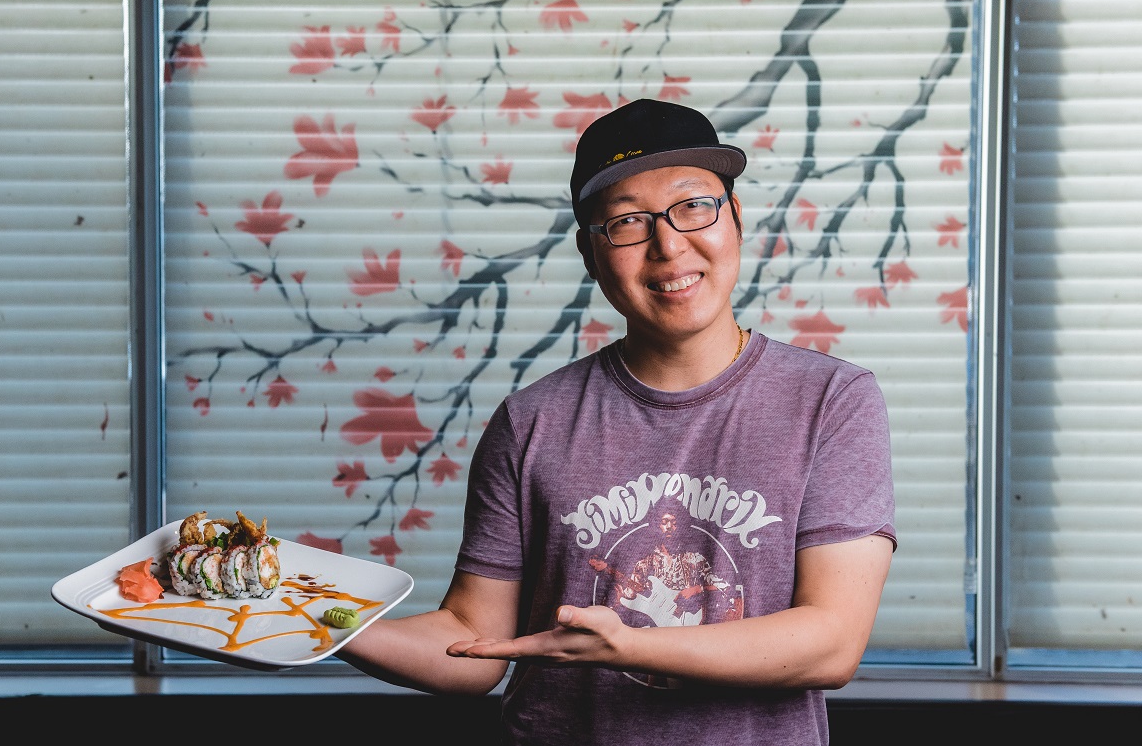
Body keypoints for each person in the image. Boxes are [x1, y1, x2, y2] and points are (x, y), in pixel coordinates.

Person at [339, 98, 897, 745]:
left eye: (694, 205)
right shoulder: (530, 423)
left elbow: (831, 643)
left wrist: (628, 645)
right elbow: (472, 639)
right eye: (628, 222)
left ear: (736, 217)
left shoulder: (833, 400)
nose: (668, 244)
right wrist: (318, 629)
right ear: (590, 254)